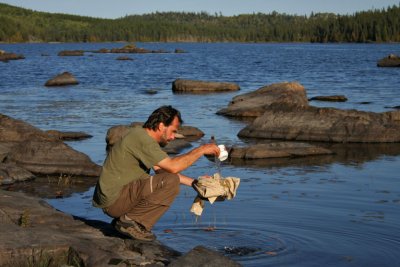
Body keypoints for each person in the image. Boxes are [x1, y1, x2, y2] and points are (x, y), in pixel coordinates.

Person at [92, 105, 220, 241]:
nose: (173, 137)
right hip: (115, 201)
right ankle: (129, 222)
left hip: (115, 200)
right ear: (161, 126)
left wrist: (195, 183)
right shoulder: (142, 139)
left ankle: (129, 221)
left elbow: (162, 171)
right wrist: (201, 150)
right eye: (172, 131)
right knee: (171, 181)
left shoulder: (140, 135)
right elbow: (172, 168)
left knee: (168, 179)